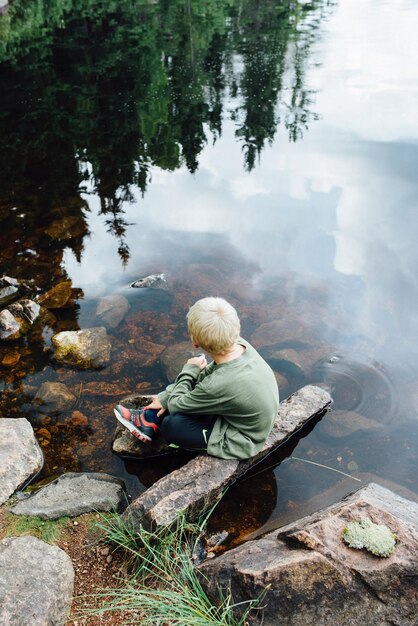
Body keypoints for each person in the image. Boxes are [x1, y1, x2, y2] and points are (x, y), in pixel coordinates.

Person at [114, 296, 279, 460]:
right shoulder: (240, 344)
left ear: (195, 342)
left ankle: (151, 423)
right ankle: (148, 421)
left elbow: (177, 403)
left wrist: (190, 369)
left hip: (243, 439)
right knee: (193, 381)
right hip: (244, 415)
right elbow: (207, 378)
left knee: (173, 425)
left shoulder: (217, 384)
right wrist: (165, 396)